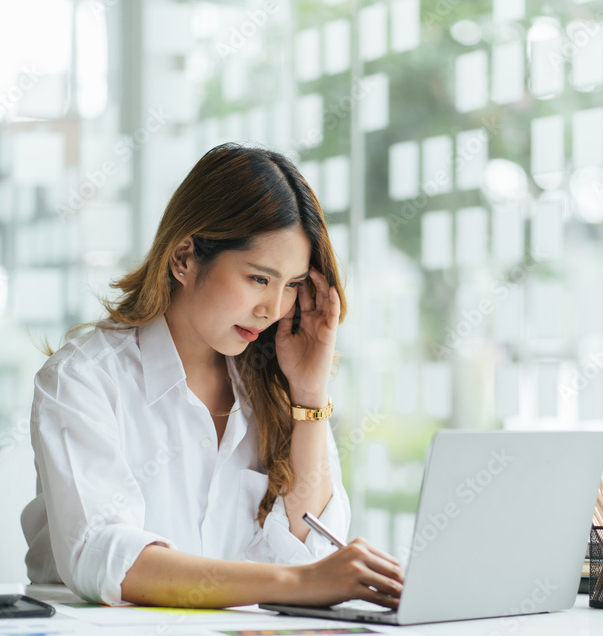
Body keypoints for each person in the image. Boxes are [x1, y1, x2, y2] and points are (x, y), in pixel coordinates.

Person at [21, 143, 403, 610]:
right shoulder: (82, 381)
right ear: (184, 257)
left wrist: (309, 392)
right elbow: (108, 560)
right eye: (259, 279)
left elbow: (312, 547)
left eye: (293, 286)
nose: (273, 308)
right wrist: (298, 583)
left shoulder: (274, 384)